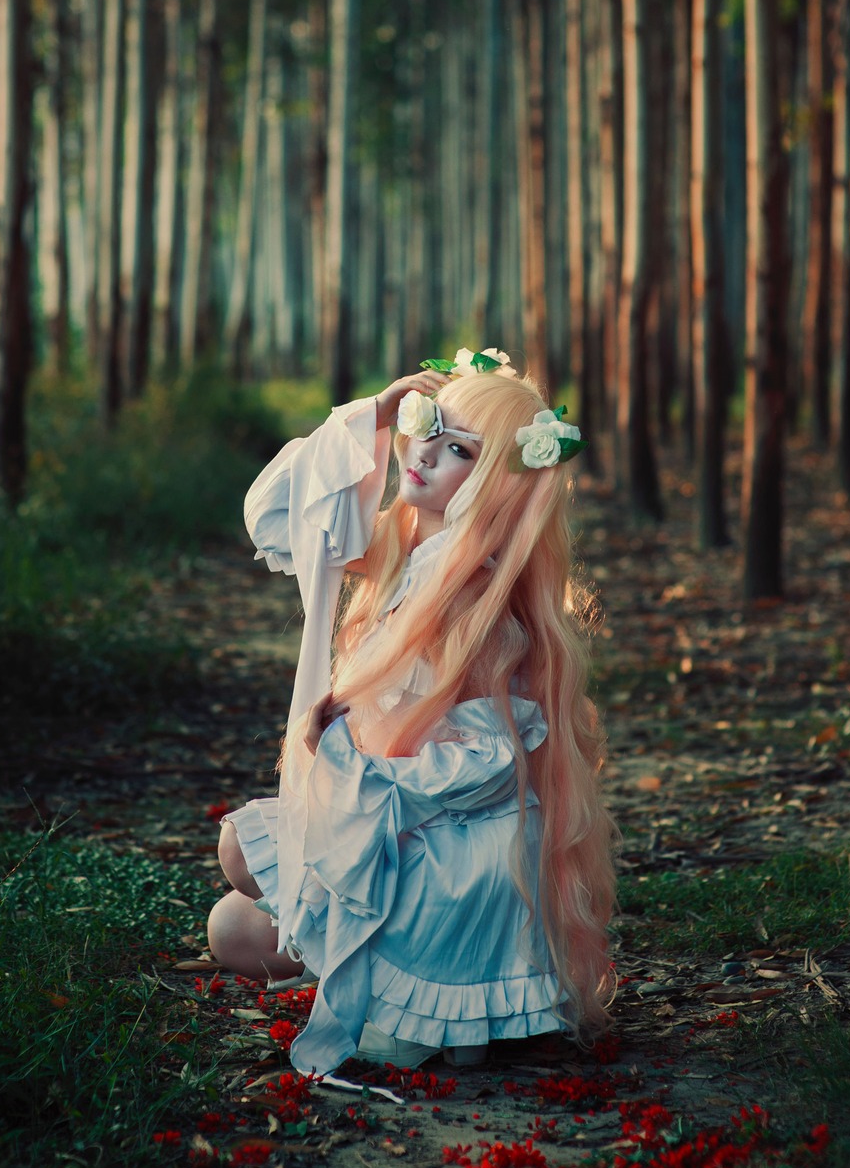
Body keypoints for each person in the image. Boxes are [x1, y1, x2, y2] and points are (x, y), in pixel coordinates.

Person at [207, 348, 615, 1076]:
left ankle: (424, 991)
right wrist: (375, 411)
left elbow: (493, 763)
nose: (424, 452)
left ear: (496, 484)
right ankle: (366, 967)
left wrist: (363, 772)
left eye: (459, 449)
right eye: (431, 427)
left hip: (446, 853)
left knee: (234, 923)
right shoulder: (402, 539)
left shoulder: (482, 602)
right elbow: (274, 516)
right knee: (234, 864)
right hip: (387, 818)